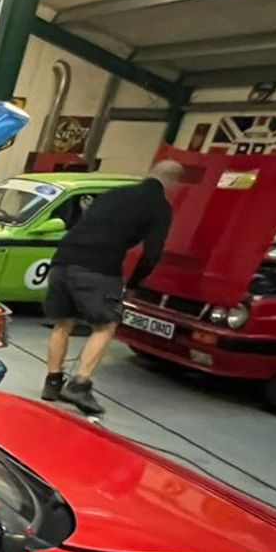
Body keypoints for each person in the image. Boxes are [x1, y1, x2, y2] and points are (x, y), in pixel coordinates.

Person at [42, 159, 184, 415]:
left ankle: (52, 383)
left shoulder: (115, 193)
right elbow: (153, 253)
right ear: (173, 183)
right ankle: (80, 384)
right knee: (106, 325)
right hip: (97, 267)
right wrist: (135, 284)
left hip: (63, 259)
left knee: (63, 322)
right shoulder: (159, 207)